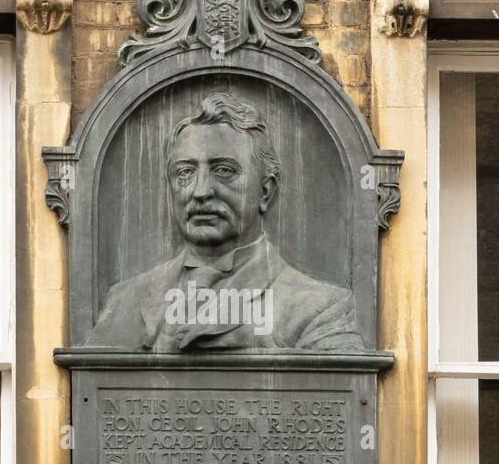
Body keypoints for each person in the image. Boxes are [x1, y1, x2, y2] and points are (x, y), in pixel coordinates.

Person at [88, 93, 364, 352]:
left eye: (224, 171)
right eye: (185, 172)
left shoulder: (320, 310)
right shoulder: (124, 300)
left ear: (265, 191)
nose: (200, 191)